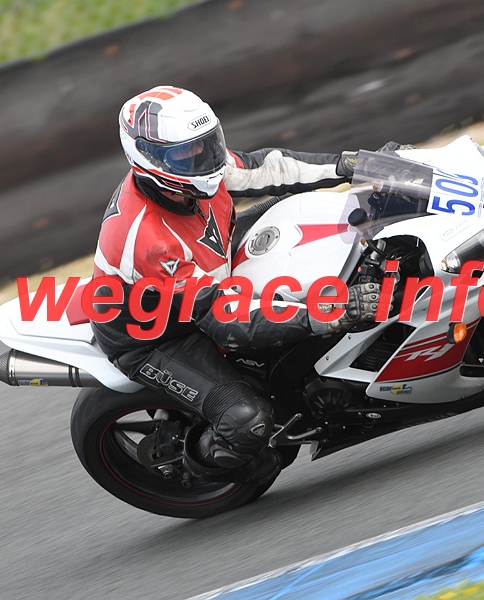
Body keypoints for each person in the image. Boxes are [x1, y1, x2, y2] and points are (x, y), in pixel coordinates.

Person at [91, 85, 380, 484]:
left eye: (206, 143)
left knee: (306, 215)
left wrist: (353, 165)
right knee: (248, 422)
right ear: (148, 159)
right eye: (186, 152)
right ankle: (198, 467)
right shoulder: (147, 240)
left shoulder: (193, 172)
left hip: (209, 266)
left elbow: (269, 170)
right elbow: (225, 319)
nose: (203, 156)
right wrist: (328, 312)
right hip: (157, 335)